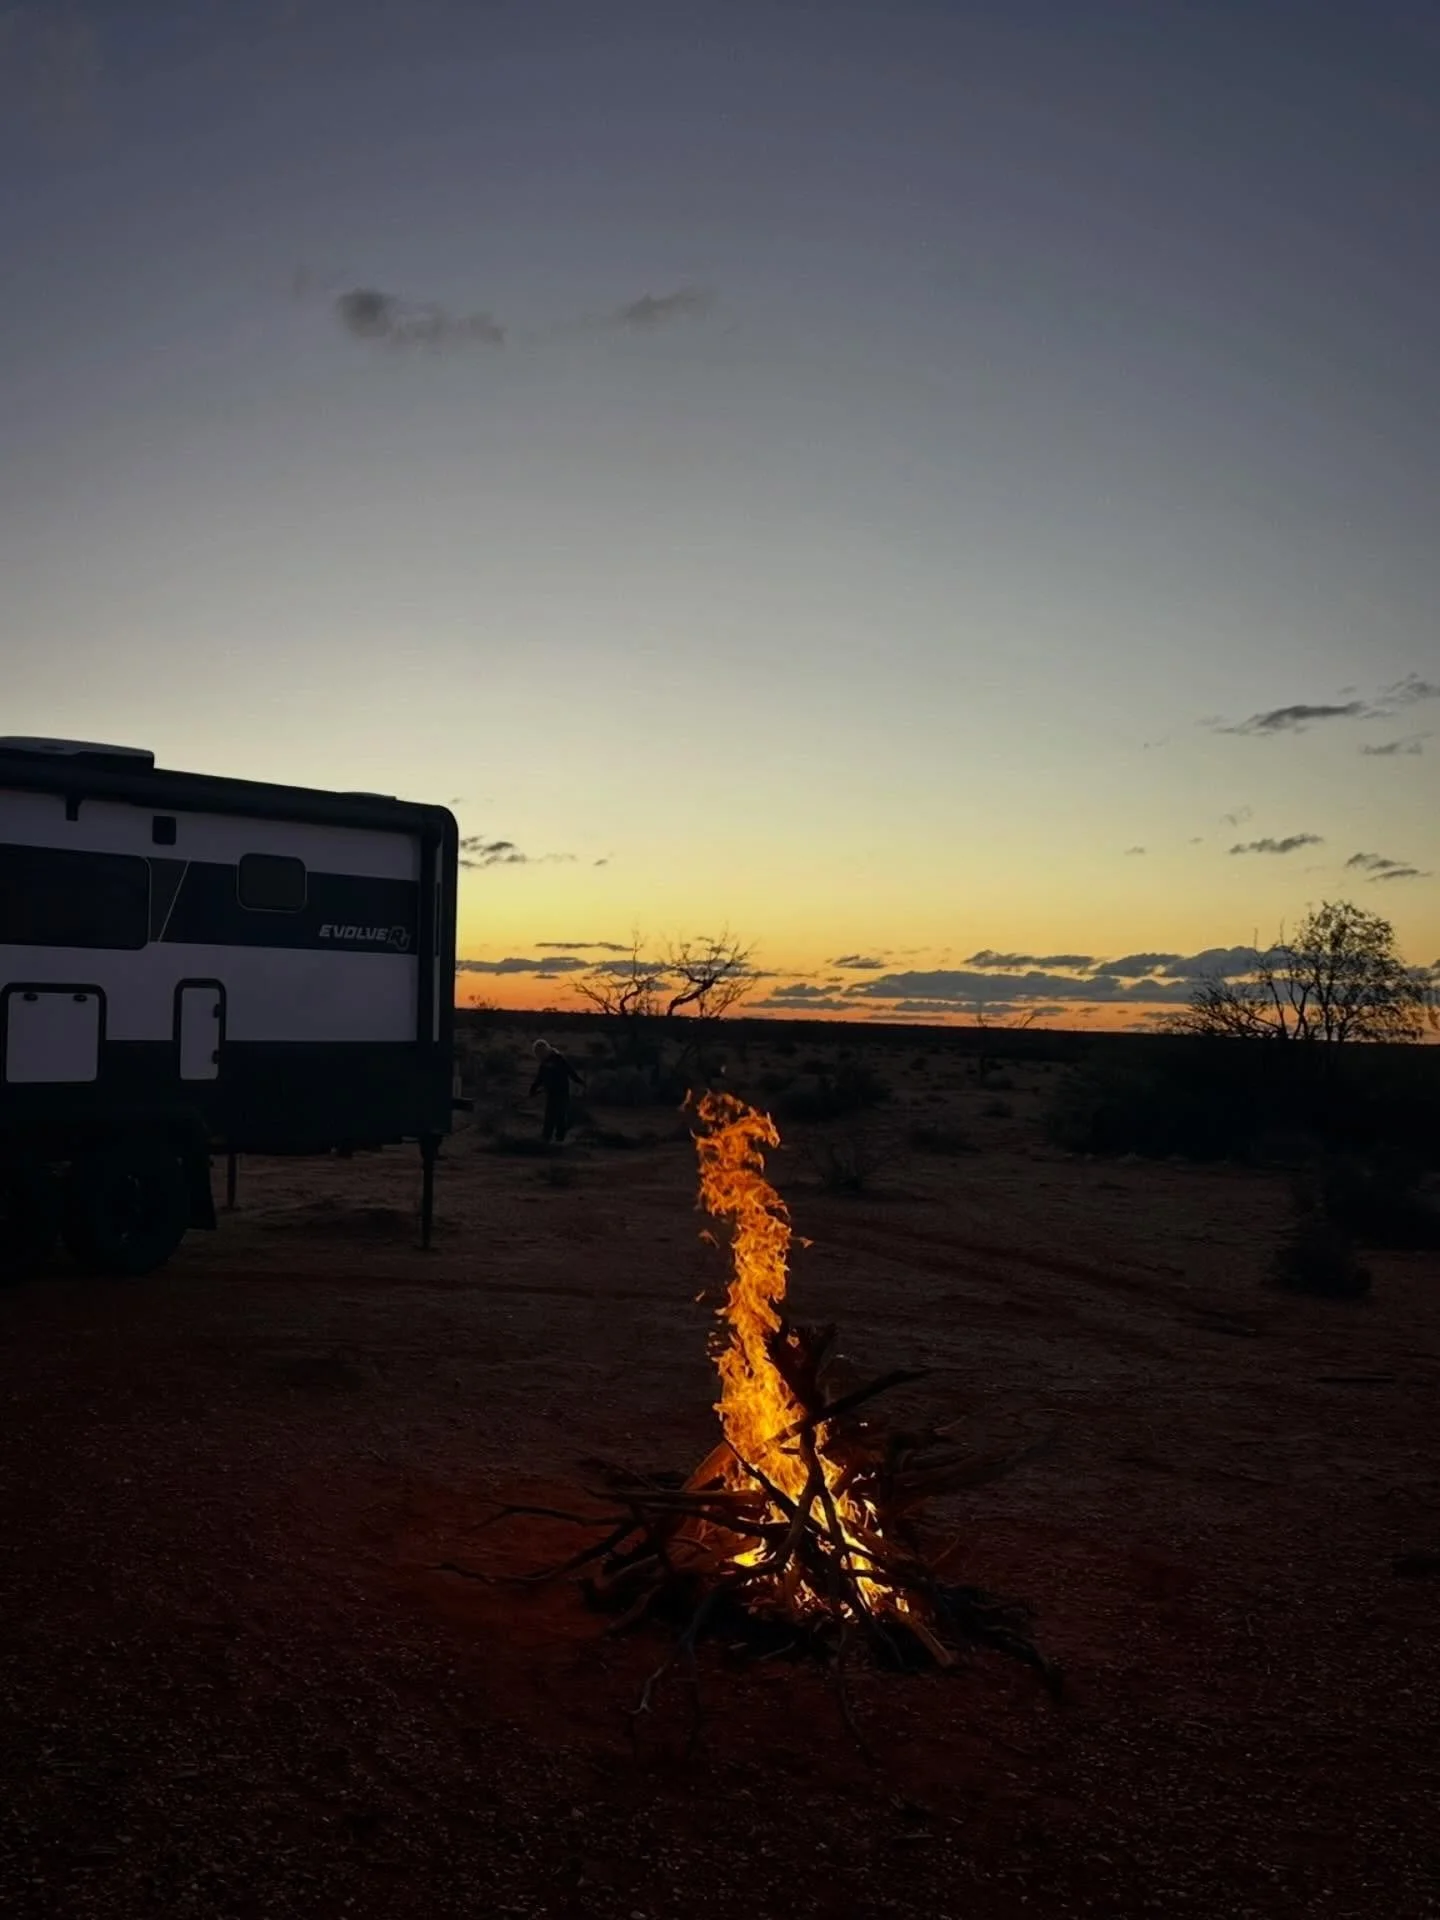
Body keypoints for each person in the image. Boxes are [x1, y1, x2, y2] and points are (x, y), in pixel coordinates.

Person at [530, 1039, 584, 1145]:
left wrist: (579, 1081)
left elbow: (570, 1071)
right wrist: (533, 1089)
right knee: (549, 1116)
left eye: (540, 1052)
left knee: (560, 1116)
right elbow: (539, 1078)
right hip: (551, 1093)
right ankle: (546, 1138)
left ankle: (560, 1139)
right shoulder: (544, 1064)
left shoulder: (558, 1059)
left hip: (562, 1092)